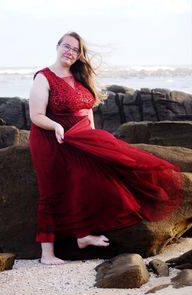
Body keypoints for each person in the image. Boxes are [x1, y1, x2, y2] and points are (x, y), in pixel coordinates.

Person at [29, 31, 183, 265]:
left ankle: (83, 235)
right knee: (52, 190)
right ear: (57, 46)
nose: (70, 52)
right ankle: (46, 254)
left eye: (75, 50)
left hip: (81, 137)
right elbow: (36, 115)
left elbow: (88, 109)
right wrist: (56, 126)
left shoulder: (79, 76)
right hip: (51, 138)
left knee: (96, 176)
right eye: (67, 47)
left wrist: (94, 139)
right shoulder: (44, 77)